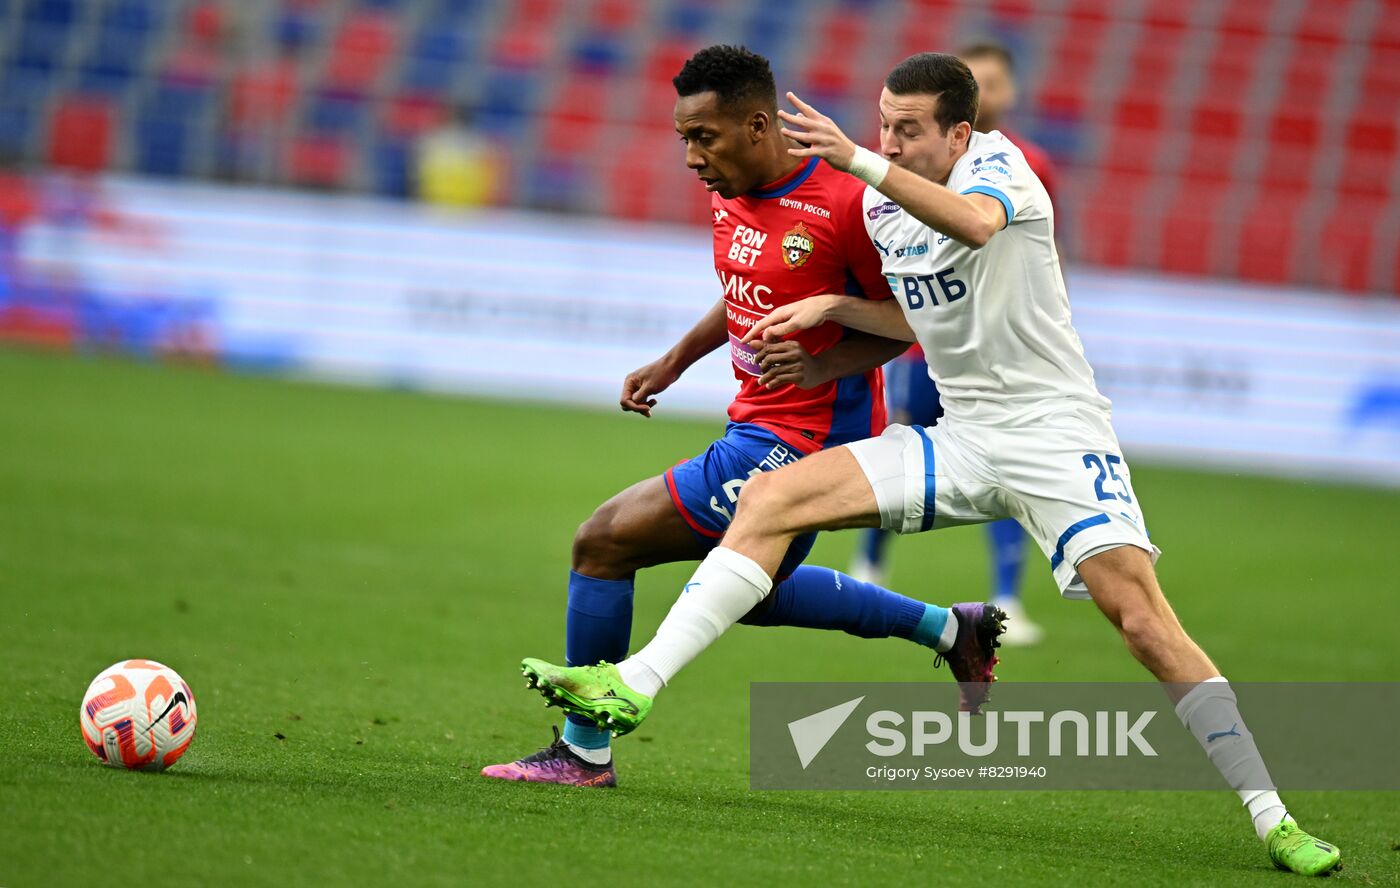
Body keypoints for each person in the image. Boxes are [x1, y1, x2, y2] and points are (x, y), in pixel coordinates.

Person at [516, 52, 1342, 877]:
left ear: (959, 133)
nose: (890, 143)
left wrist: (855, 162)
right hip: (963, 435)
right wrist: (834, 314)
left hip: (1057, 437)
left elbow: (976, 226)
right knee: (769, 502)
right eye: (883, 126)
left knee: (1144, 625)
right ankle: (634, 685)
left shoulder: (1000, 170)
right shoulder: (882, 207)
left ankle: (1274, 820)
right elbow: (904, 317)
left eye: (908, 130)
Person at [482, 46, 1006, 790]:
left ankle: (583, 751)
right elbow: (744, 286)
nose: (692, 158)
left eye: (704, 137)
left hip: (805, 436)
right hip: (756, 420)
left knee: (604, 541)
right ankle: (952, 628)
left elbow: (910, 321)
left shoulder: (847, 202)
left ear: (758, 126)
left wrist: (821, 365)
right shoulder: (729, 187)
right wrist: (676, 359)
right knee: (748, 589)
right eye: (684, 139)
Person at [850, 39, 1053, 647]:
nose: (988, 93)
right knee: (899, 443)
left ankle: (1006, 598)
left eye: (995, 82)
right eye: (977, 81)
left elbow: (1029, 243)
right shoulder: (901, 167)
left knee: (1011, 475)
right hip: (923, 351)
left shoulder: (1022, 163)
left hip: (997, 361)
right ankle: (868, 566)